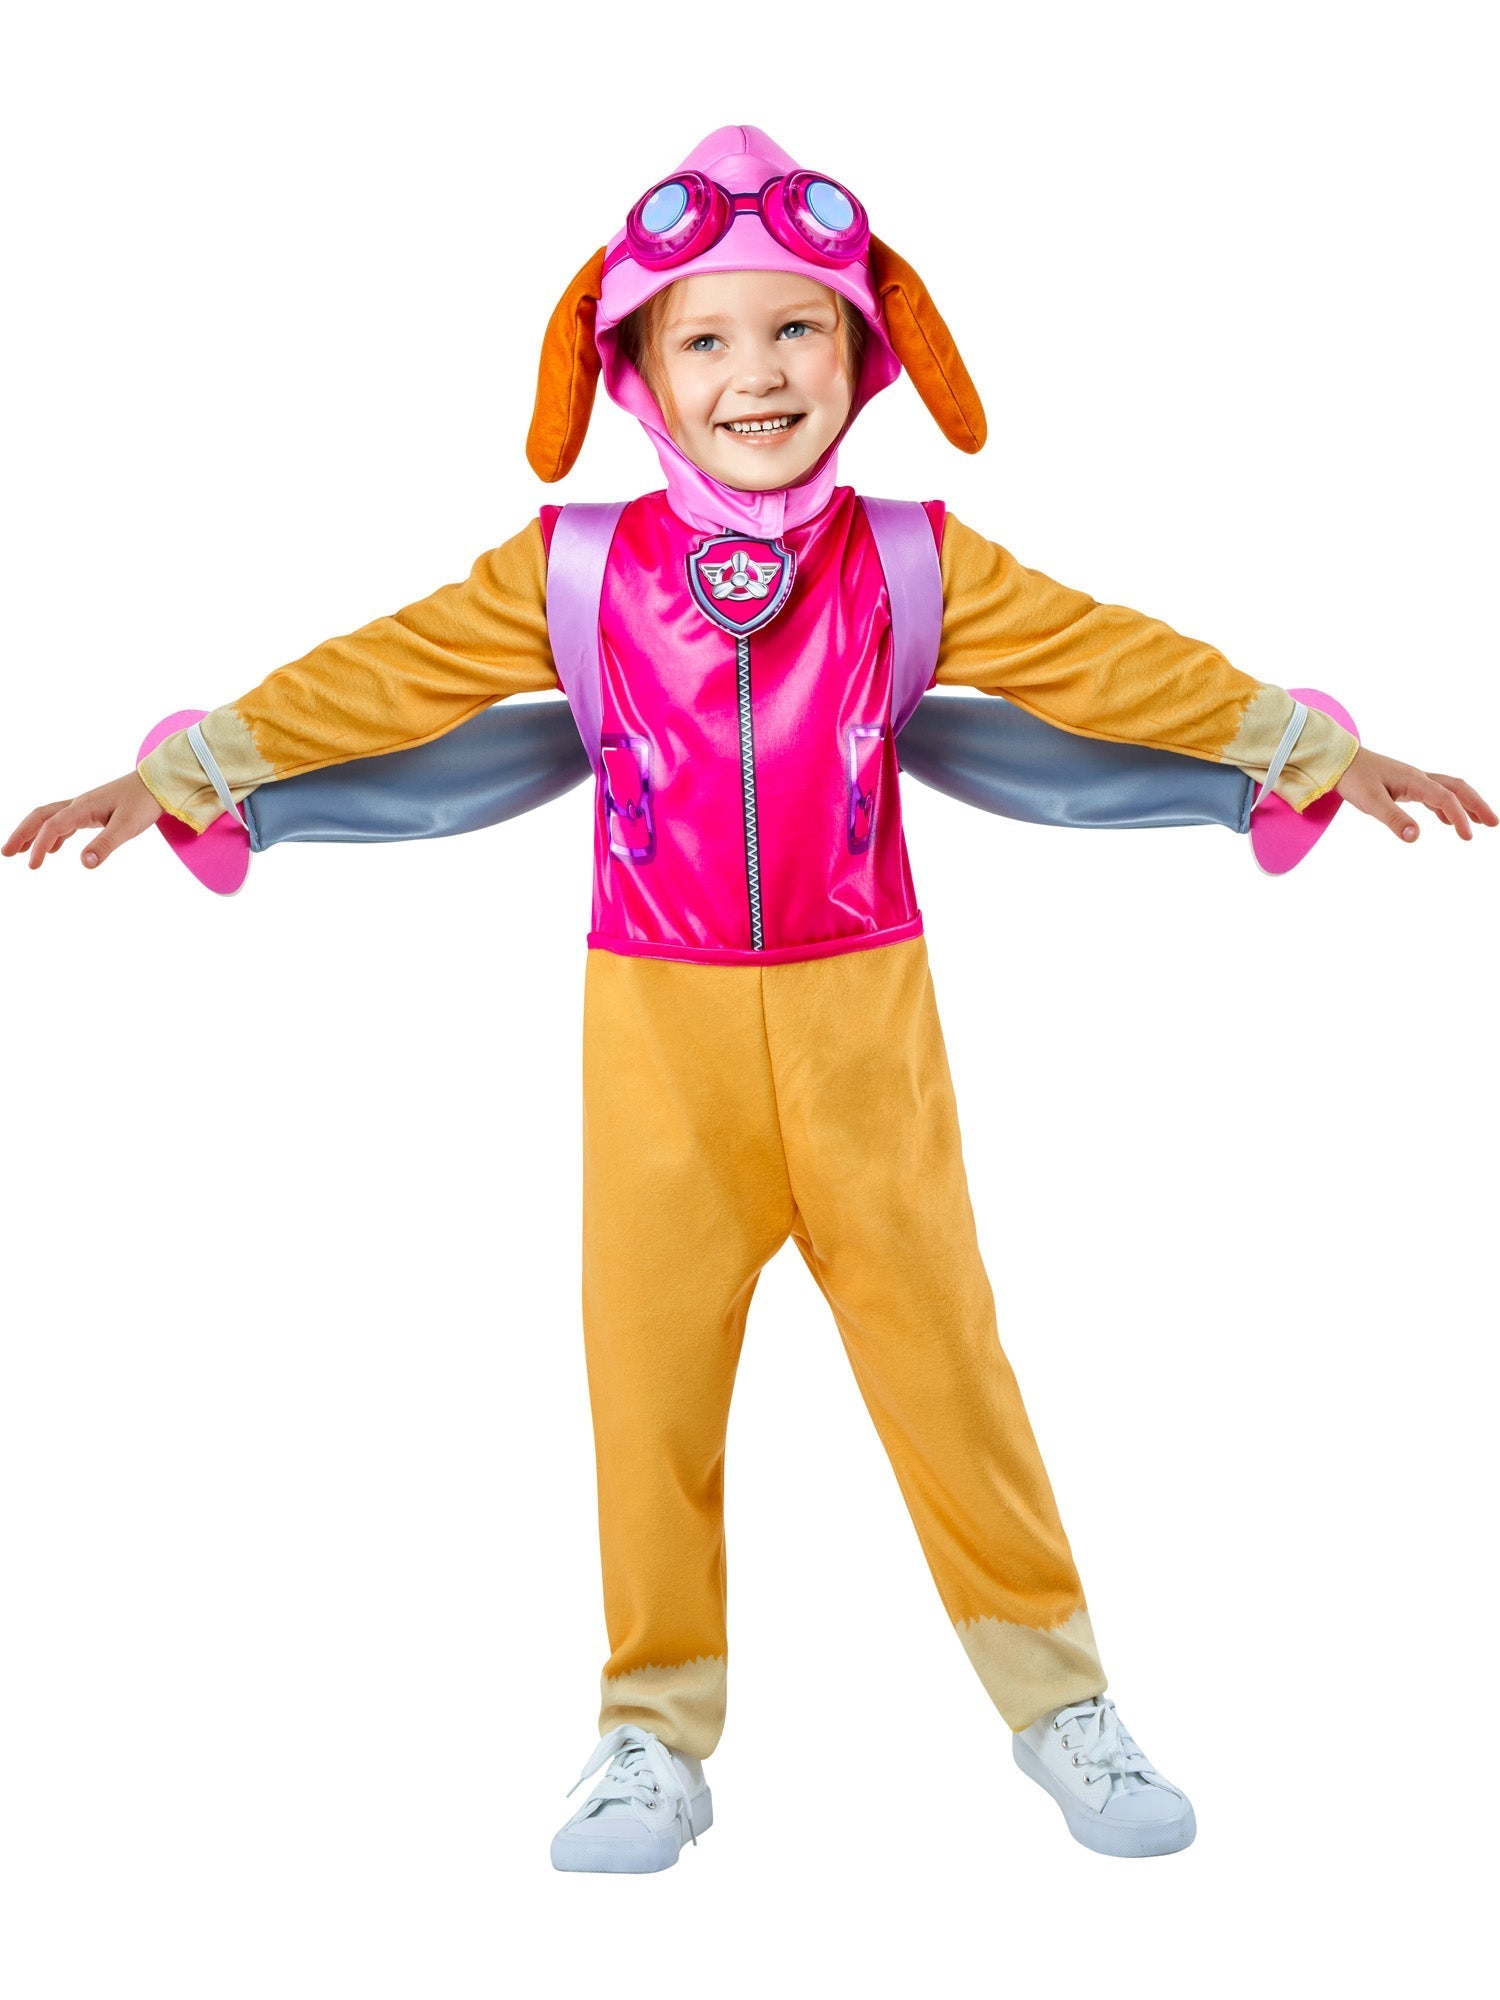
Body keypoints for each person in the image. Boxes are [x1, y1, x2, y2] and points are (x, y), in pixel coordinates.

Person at [6, 126, 1493, 1875]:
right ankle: (651, 1729)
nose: (757, 372)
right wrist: (188, 775)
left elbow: (1110, 661)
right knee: (646, 1387)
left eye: (797, 329)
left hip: (868, 1034)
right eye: (705, 338)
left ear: (864, 354)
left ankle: (1057, 1700)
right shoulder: (573, 572)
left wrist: (1306, 748)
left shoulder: (915, 561)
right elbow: (384, 677)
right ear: (635, 371)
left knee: (948, 1371)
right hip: (660, 1039)